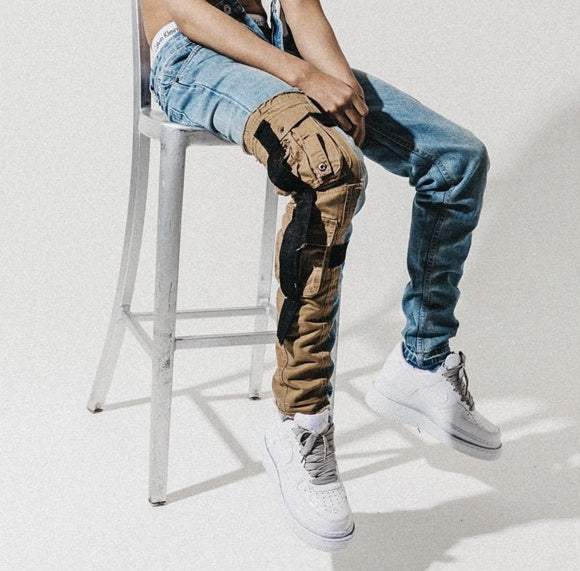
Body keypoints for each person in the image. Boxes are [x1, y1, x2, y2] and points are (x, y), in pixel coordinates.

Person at [142, 0, 502, 551]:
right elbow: (190, 14)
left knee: (457, 160)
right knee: (328, 168)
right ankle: (301, 422)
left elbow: (301, 9)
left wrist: (338, 85)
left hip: (272, 51)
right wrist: (304, 76)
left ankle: (423, 362)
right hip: (194, 58)